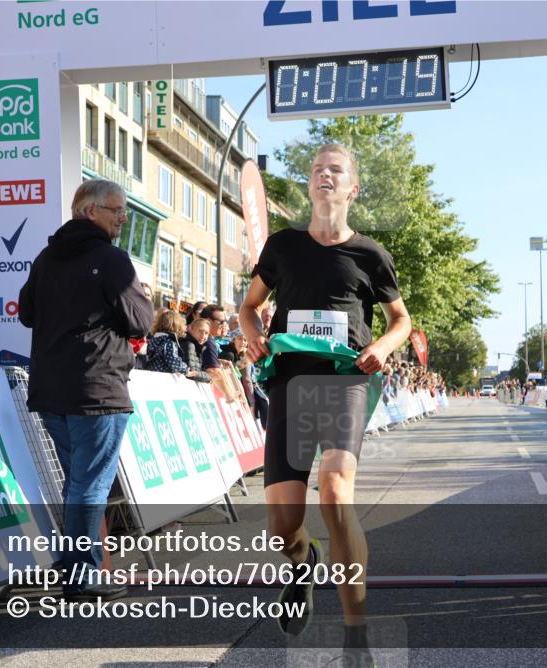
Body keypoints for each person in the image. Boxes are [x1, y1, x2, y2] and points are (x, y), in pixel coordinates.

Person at [240, 143, 411, 666]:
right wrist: (254, 336)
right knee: (282, 526)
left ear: (353, 188)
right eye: (317, 169)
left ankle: (356, 635)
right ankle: (302, 561)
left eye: (335, 170)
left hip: (344, 381)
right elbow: (250, 307)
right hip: (290, 384)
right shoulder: (283, 247)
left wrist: (383, 347)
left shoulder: (370, 255)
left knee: (336, 493)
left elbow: (401, 320)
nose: (324, 175)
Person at [18, 179, 154, 602]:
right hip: (98, 386)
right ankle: (82, 574)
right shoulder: (111, 259)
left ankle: (75, 566)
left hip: (51, 388)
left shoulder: (45, 258)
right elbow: (141, 321)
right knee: (89, 486)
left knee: (77, 483)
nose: (123, 218)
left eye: (124, 210)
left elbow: (26, 313)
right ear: (90, 211)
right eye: (117, 209)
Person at [141, 309, 190, 375]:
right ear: (177, 326)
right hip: (163, 376)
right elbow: (172, 360)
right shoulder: (169, 342)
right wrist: (185, 369)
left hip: (149, 372)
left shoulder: (154, 339)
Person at [180, 317, 212, 383]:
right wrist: (210, 377)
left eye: (206, 333)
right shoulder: (189, 345)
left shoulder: (197, 346)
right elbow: (191, 373)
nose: (203, 336)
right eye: (200, 331)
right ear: (191, 329)